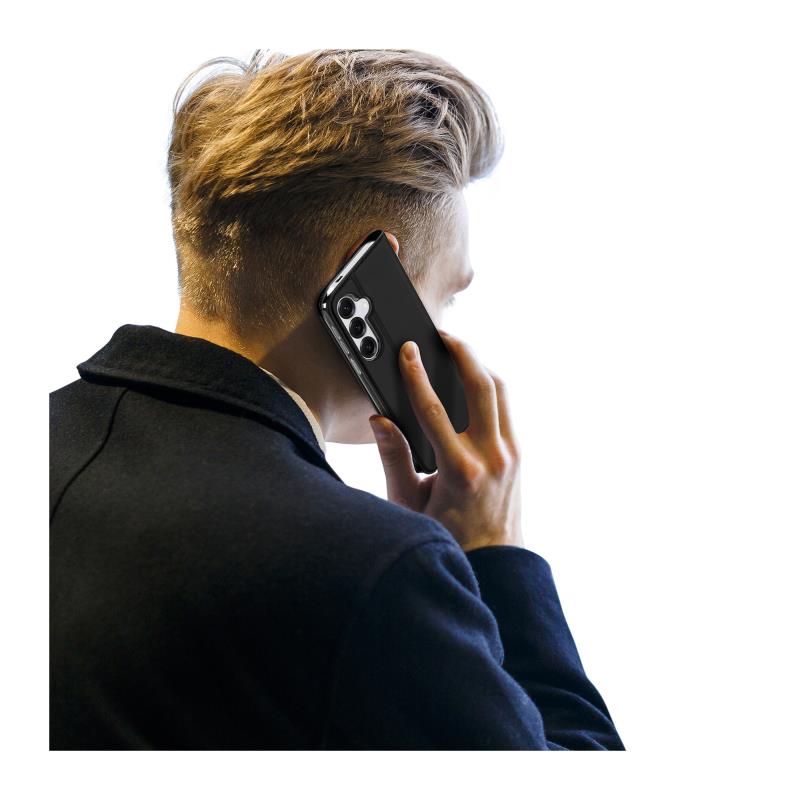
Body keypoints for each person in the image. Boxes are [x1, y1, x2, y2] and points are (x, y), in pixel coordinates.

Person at [49, 47, 624, 750]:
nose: (446, 333)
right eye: (447, 297)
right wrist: (496, 557)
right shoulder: (377, 570)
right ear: (373, 284)